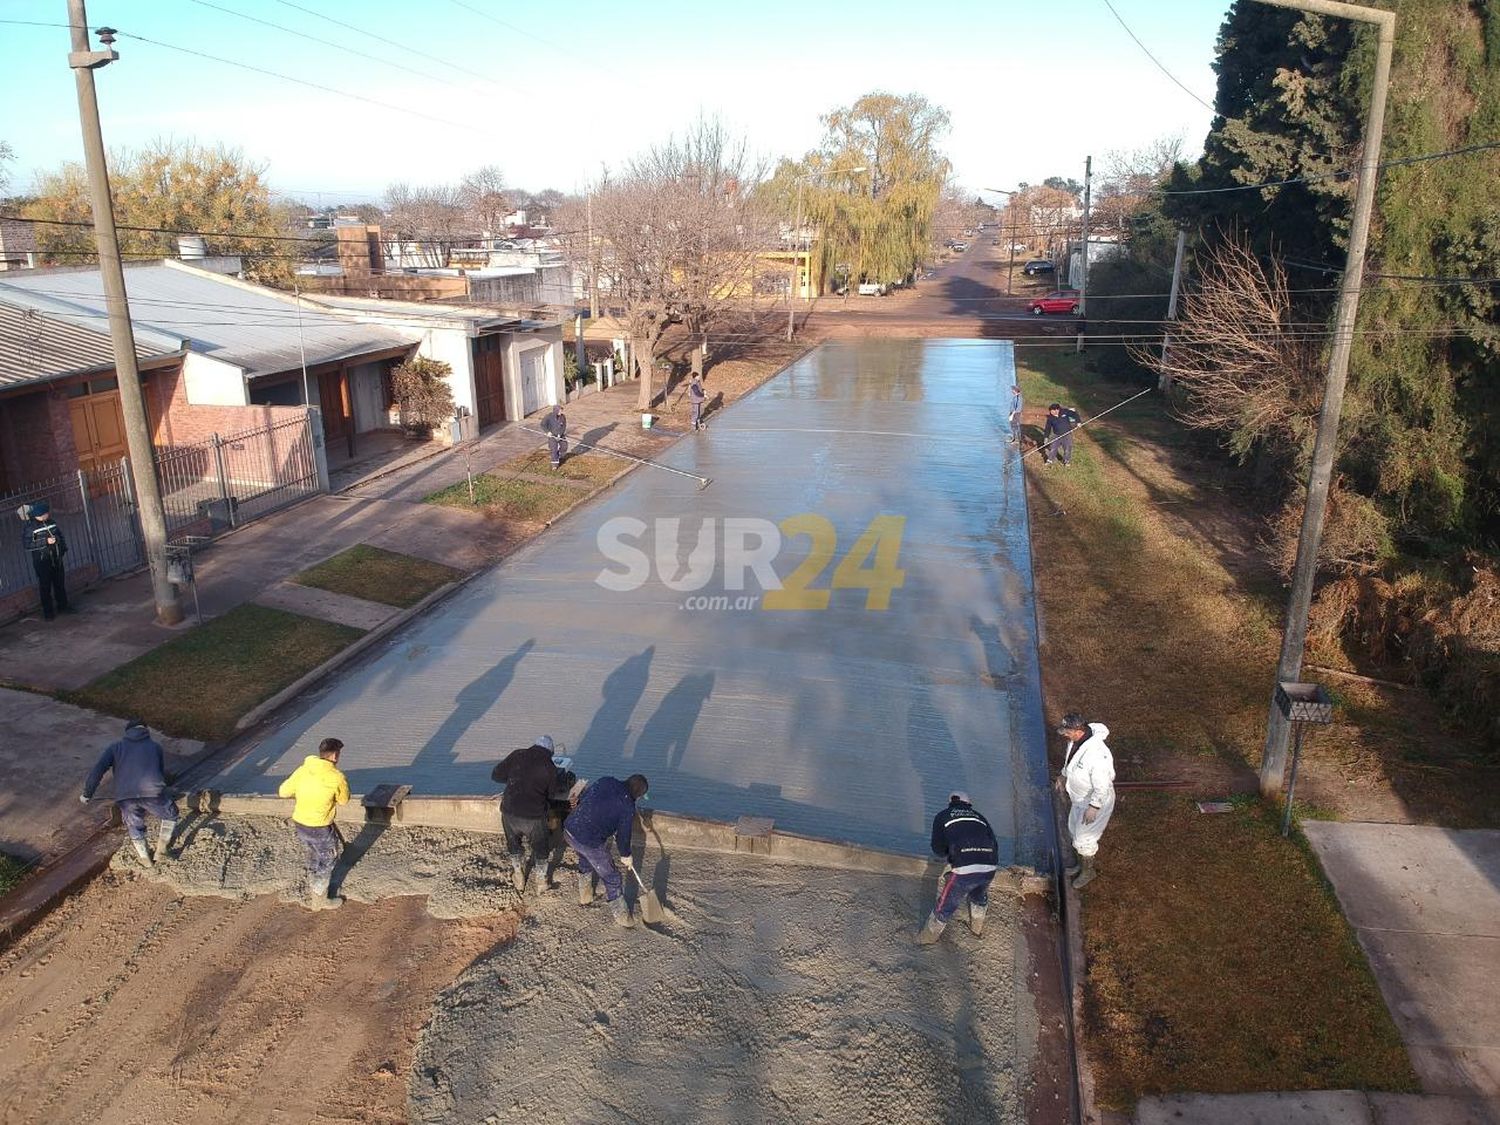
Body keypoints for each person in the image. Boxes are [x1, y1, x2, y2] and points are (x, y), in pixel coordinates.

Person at [81, 718, 178, 869]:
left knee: (134, 824)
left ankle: (145, 858)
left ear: (127, 732)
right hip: (153, 792)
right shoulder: (155, 747)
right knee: (170, 814)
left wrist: (87, 793)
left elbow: (98, 770)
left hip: (126, 797)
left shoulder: (115, 748)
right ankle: (162, 851)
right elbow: (159, 772)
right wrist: (167, 787)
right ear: (146, 731)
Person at [565, 773, 649, 928]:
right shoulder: (627, 806)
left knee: (585, 858)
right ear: (638, 795)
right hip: (588, 840)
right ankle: (622, 917)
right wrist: (626, 855)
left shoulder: (606, 780)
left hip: (570, 830)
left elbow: (584, 799)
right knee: (612, 876)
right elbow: (624, 835)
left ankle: (585, 896)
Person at [277, 737, 351, 910]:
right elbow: (343, 800)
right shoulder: (336, 777)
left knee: (313, 853)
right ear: (334, 756)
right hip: (320, 826)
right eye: (338, 754)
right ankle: (320, 899)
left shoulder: (303, 770)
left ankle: (313, 884)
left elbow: (283, 792)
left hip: (301, 822)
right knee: (327, 859)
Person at [919, 791, 1000, 945]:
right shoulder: (979, 817)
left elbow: (937, 848)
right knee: (979, 895)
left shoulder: (943, 815)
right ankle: (977, 928)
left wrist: (951, 855)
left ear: (950, 803)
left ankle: (926, 939)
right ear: (969, 804)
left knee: (945, 906)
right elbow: (994, 843)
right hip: (989, 866)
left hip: (964, 871)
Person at [491, 734, 565, 892]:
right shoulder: (549, 767)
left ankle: (518, 877)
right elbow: (551, 796)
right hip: (534, 817)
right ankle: (541, 882)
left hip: (509, 812)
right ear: (550, 752)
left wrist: (516, 779)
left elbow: (496, 775)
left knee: (513, 844)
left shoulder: (517, 754)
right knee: (540, 848)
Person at [1055, 714, 1116, 888]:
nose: (1065, 735)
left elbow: (1102, 786)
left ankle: (1088, 871)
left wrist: (1094, 807)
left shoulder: (1097, 756)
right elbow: (1071, 761)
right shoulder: (1077, 741)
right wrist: (1063, 775)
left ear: (1078, 731)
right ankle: (1078, 865)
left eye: (1067, 732)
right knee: (1073, 831)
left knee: (1084, 839)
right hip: (1080, 799)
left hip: (1094, 802)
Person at [21, 501, 70, 620]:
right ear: (39, 514)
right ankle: (48, 612)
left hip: (56, 559)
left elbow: (60, 535)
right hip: (42, 562)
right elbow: (28, 544)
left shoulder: (52, 523)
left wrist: (62, 548)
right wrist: (45, 542)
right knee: (45, 586)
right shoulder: (30, 527)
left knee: (59, 584)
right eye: (45, 513)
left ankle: (63, 606)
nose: (47, 515)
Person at [542, 402, 567, 469]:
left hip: (560, 435)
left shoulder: (563, 417)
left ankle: (558, 456)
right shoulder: (548, 417)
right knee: (554, 449)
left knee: (564, 447)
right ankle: (554, 465)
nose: (561, 412)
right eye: (559, 411)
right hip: (552, 436)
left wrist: (560, 434)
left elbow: (564, 426)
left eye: (561, 411)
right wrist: (547, 432)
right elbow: (543, 425)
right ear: (556, 411)